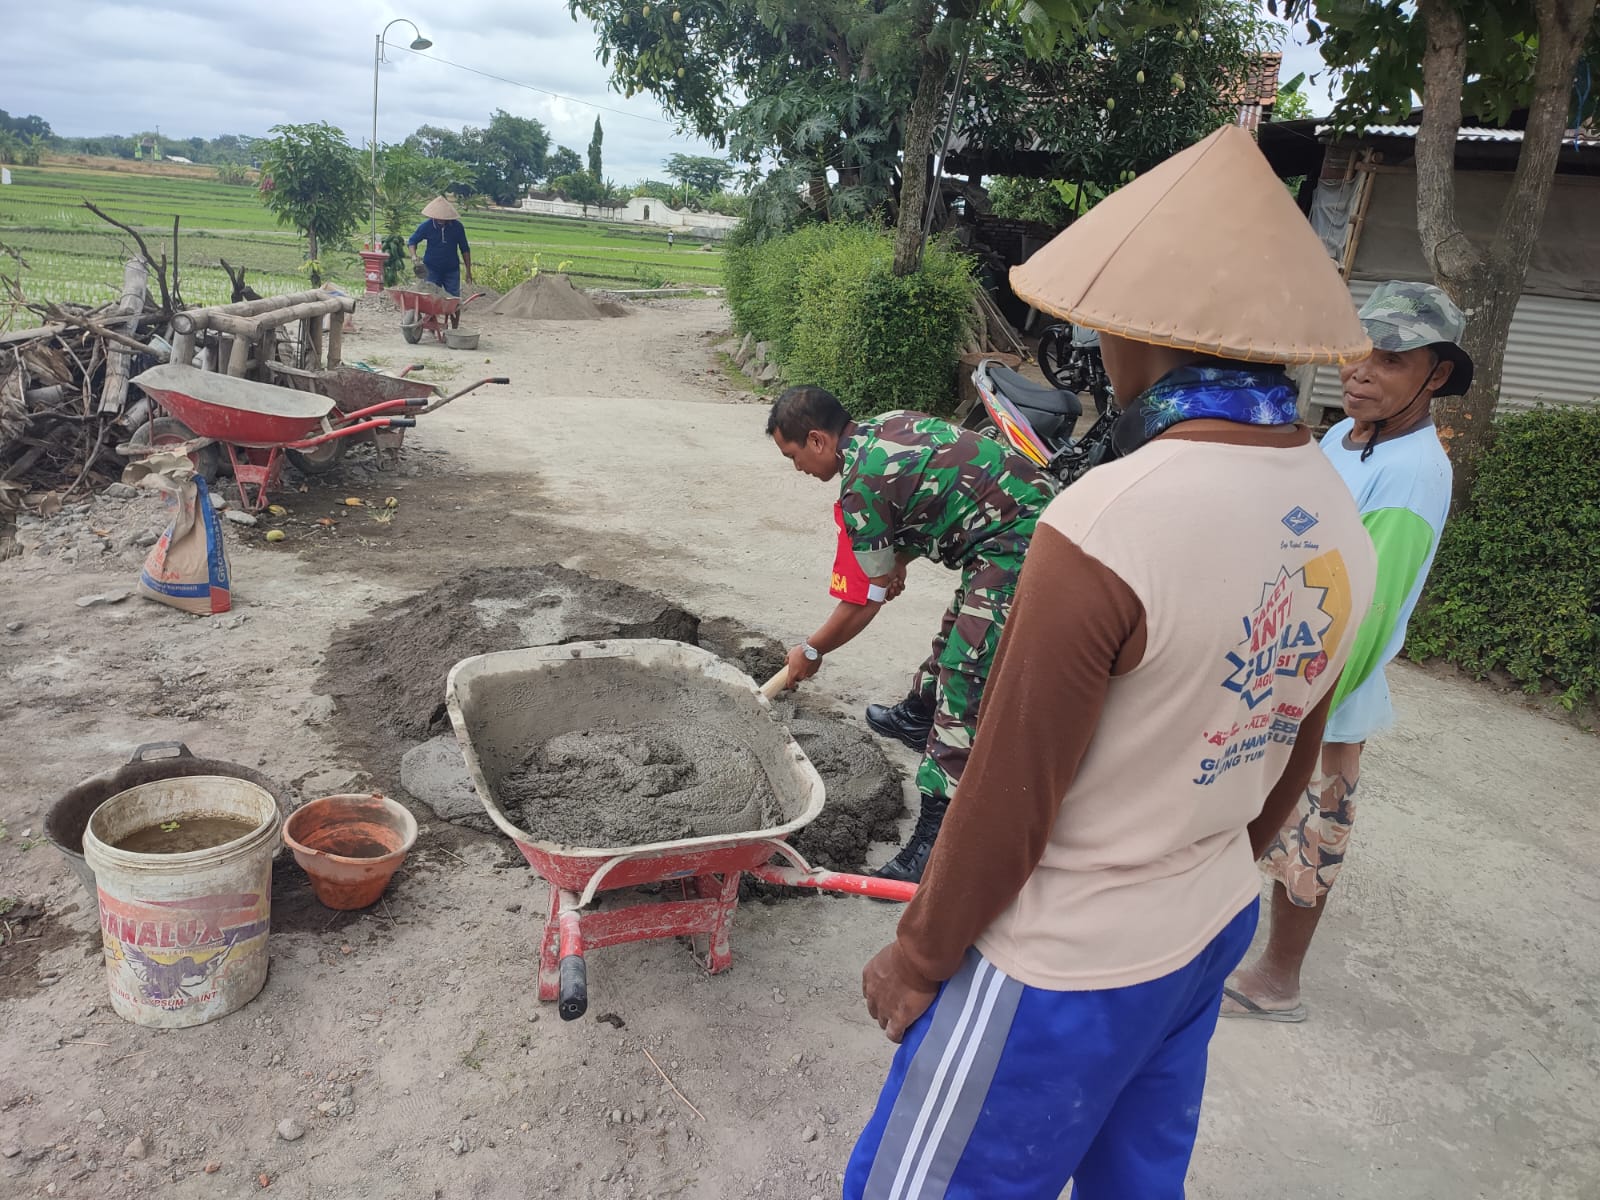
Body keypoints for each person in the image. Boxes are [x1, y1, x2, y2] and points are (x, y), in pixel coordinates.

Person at [845, 123, 1380, 1199]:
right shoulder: (1335, 509)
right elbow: (1296, 732)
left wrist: (919, 953)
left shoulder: (1108, 518)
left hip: (1065, 963)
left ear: (1135, 334)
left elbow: (1009, 788)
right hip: (1204, 928)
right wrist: (1211, 863)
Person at [1221, 280, 1469, 1023]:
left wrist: (1303, 701)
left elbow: (1372, 607)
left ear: (1438, 376)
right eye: (1357, 351)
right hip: (1284, 661)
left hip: (1327, 687)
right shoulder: (1344, 438)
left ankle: (1279, 979)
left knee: (1316, 828)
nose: (1360, 370)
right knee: (1256, 815)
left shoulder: (1414, 471)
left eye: (1390, 358)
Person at [767, 385, 1054, 884]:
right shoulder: (889, 425)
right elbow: (940, 489)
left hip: (1027, 543)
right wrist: (897, 559)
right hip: (1018, 524)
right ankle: (915, 716)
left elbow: (862, 604)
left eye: (793, 456)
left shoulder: (859, 486)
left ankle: (935, 841)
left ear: (817, 440)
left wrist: (811, 650)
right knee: (957, 631)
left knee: (968, 671)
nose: (797, 469)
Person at [408, 196, 472, 297]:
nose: (441, 220)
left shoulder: (457, 227)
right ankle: (431, 313)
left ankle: (453, 312)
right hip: (431, 269)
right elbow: (412, 241)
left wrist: (468, 271)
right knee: (430, 297)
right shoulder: (426, 226)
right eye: (438, 217)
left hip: (451, 270)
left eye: (444, 218)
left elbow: (465, 249)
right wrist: (414, 256)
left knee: (454, 299)